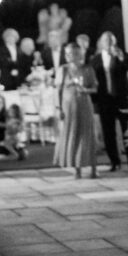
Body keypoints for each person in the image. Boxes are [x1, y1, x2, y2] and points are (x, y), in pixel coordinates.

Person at [90, 32, 128, 172]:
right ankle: (114, 161)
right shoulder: (95, 60)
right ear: (101, 43)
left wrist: (122, 58)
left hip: (122, 99)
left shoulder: (121, 56)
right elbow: (92, 81)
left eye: (111, 40)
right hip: (105, 100)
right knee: (108, 133)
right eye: (106, 40)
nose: (108, 43)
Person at [53, 42, 98, 179]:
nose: (69, 56)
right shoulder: (63, 70)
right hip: (68, 106)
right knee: (73, 134)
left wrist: (86, 90)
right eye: (67, 53)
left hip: (84, 103)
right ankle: (77, 169)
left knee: (87, 134)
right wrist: (58, 108)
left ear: (79, 54)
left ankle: (93, 169)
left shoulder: (87, 69)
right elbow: (58, 90)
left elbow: (95, 88)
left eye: (72, 53)